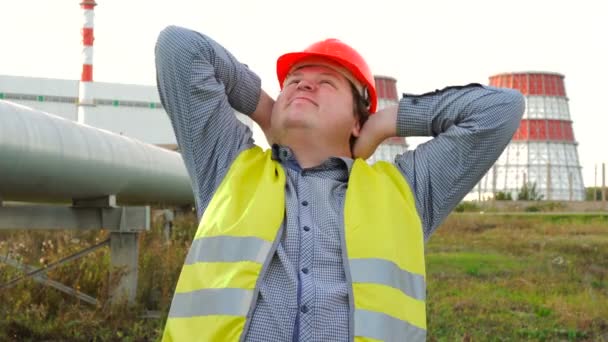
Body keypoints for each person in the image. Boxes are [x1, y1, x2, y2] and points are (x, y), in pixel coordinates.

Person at [155, 25, 524, 342]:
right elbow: (179, 49)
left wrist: (384, 124)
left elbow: (500, 110)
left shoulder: (405, 190)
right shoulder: (228, 165)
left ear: (356, 121)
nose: (303, 87)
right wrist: (267, 110)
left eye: (325, 83)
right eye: (294, 82)